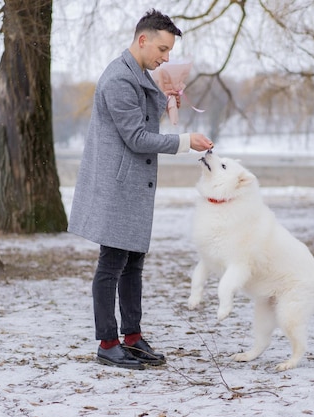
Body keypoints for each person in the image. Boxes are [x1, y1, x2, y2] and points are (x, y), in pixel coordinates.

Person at [68, 9, 213, 370]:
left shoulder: (139, 74)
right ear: (143, 39)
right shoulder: (118, 78)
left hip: (131, 187)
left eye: (169, 52)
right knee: (111, 264)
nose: (166, 58)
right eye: (162, 50)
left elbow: (141, 123)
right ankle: (107, 342)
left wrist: (167, 102)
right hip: (118, 188)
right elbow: (135, 137)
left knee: (133, 263)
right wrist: (184, 141)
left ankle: (132, 338)